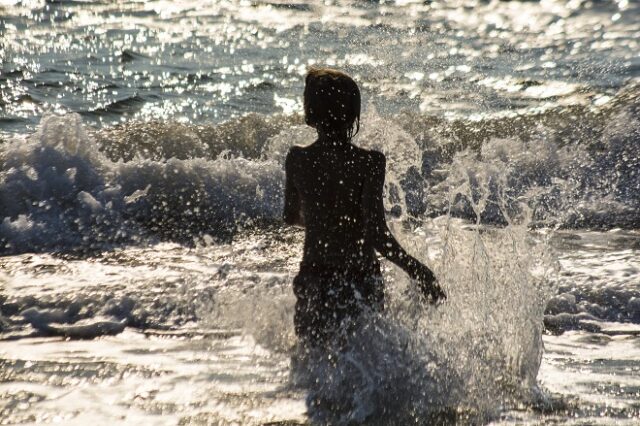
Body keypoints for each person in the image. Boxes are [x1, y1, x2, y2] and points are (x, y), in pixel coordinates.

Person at [284, 67, 445, 346]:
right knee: (364, 365)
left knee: (313, 362)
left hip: (314, 277)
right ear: (353, 115)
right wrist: (417, 270)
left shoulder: (298, 159)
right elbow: (376, 234)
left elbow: (290, 216)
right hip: (359, 279)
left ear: (310, 113)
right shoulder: (369, 162)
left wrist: (324, 220)